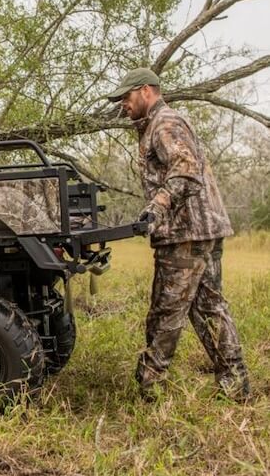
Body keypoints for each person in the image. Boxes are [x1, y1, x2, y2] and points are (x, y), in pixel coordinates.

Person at [106, 67, 249, 401]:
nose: (123, 105)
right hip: (201, 229)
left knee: (166, 312)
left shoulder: (165, 123)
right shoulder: (155, 125)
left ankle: (149, 388)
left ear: (145, 91)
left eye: (126, 97)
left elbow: (185, 171)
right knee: (209, 309)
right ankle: (235, 384)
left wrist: (157, 207)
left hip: (186, 233)